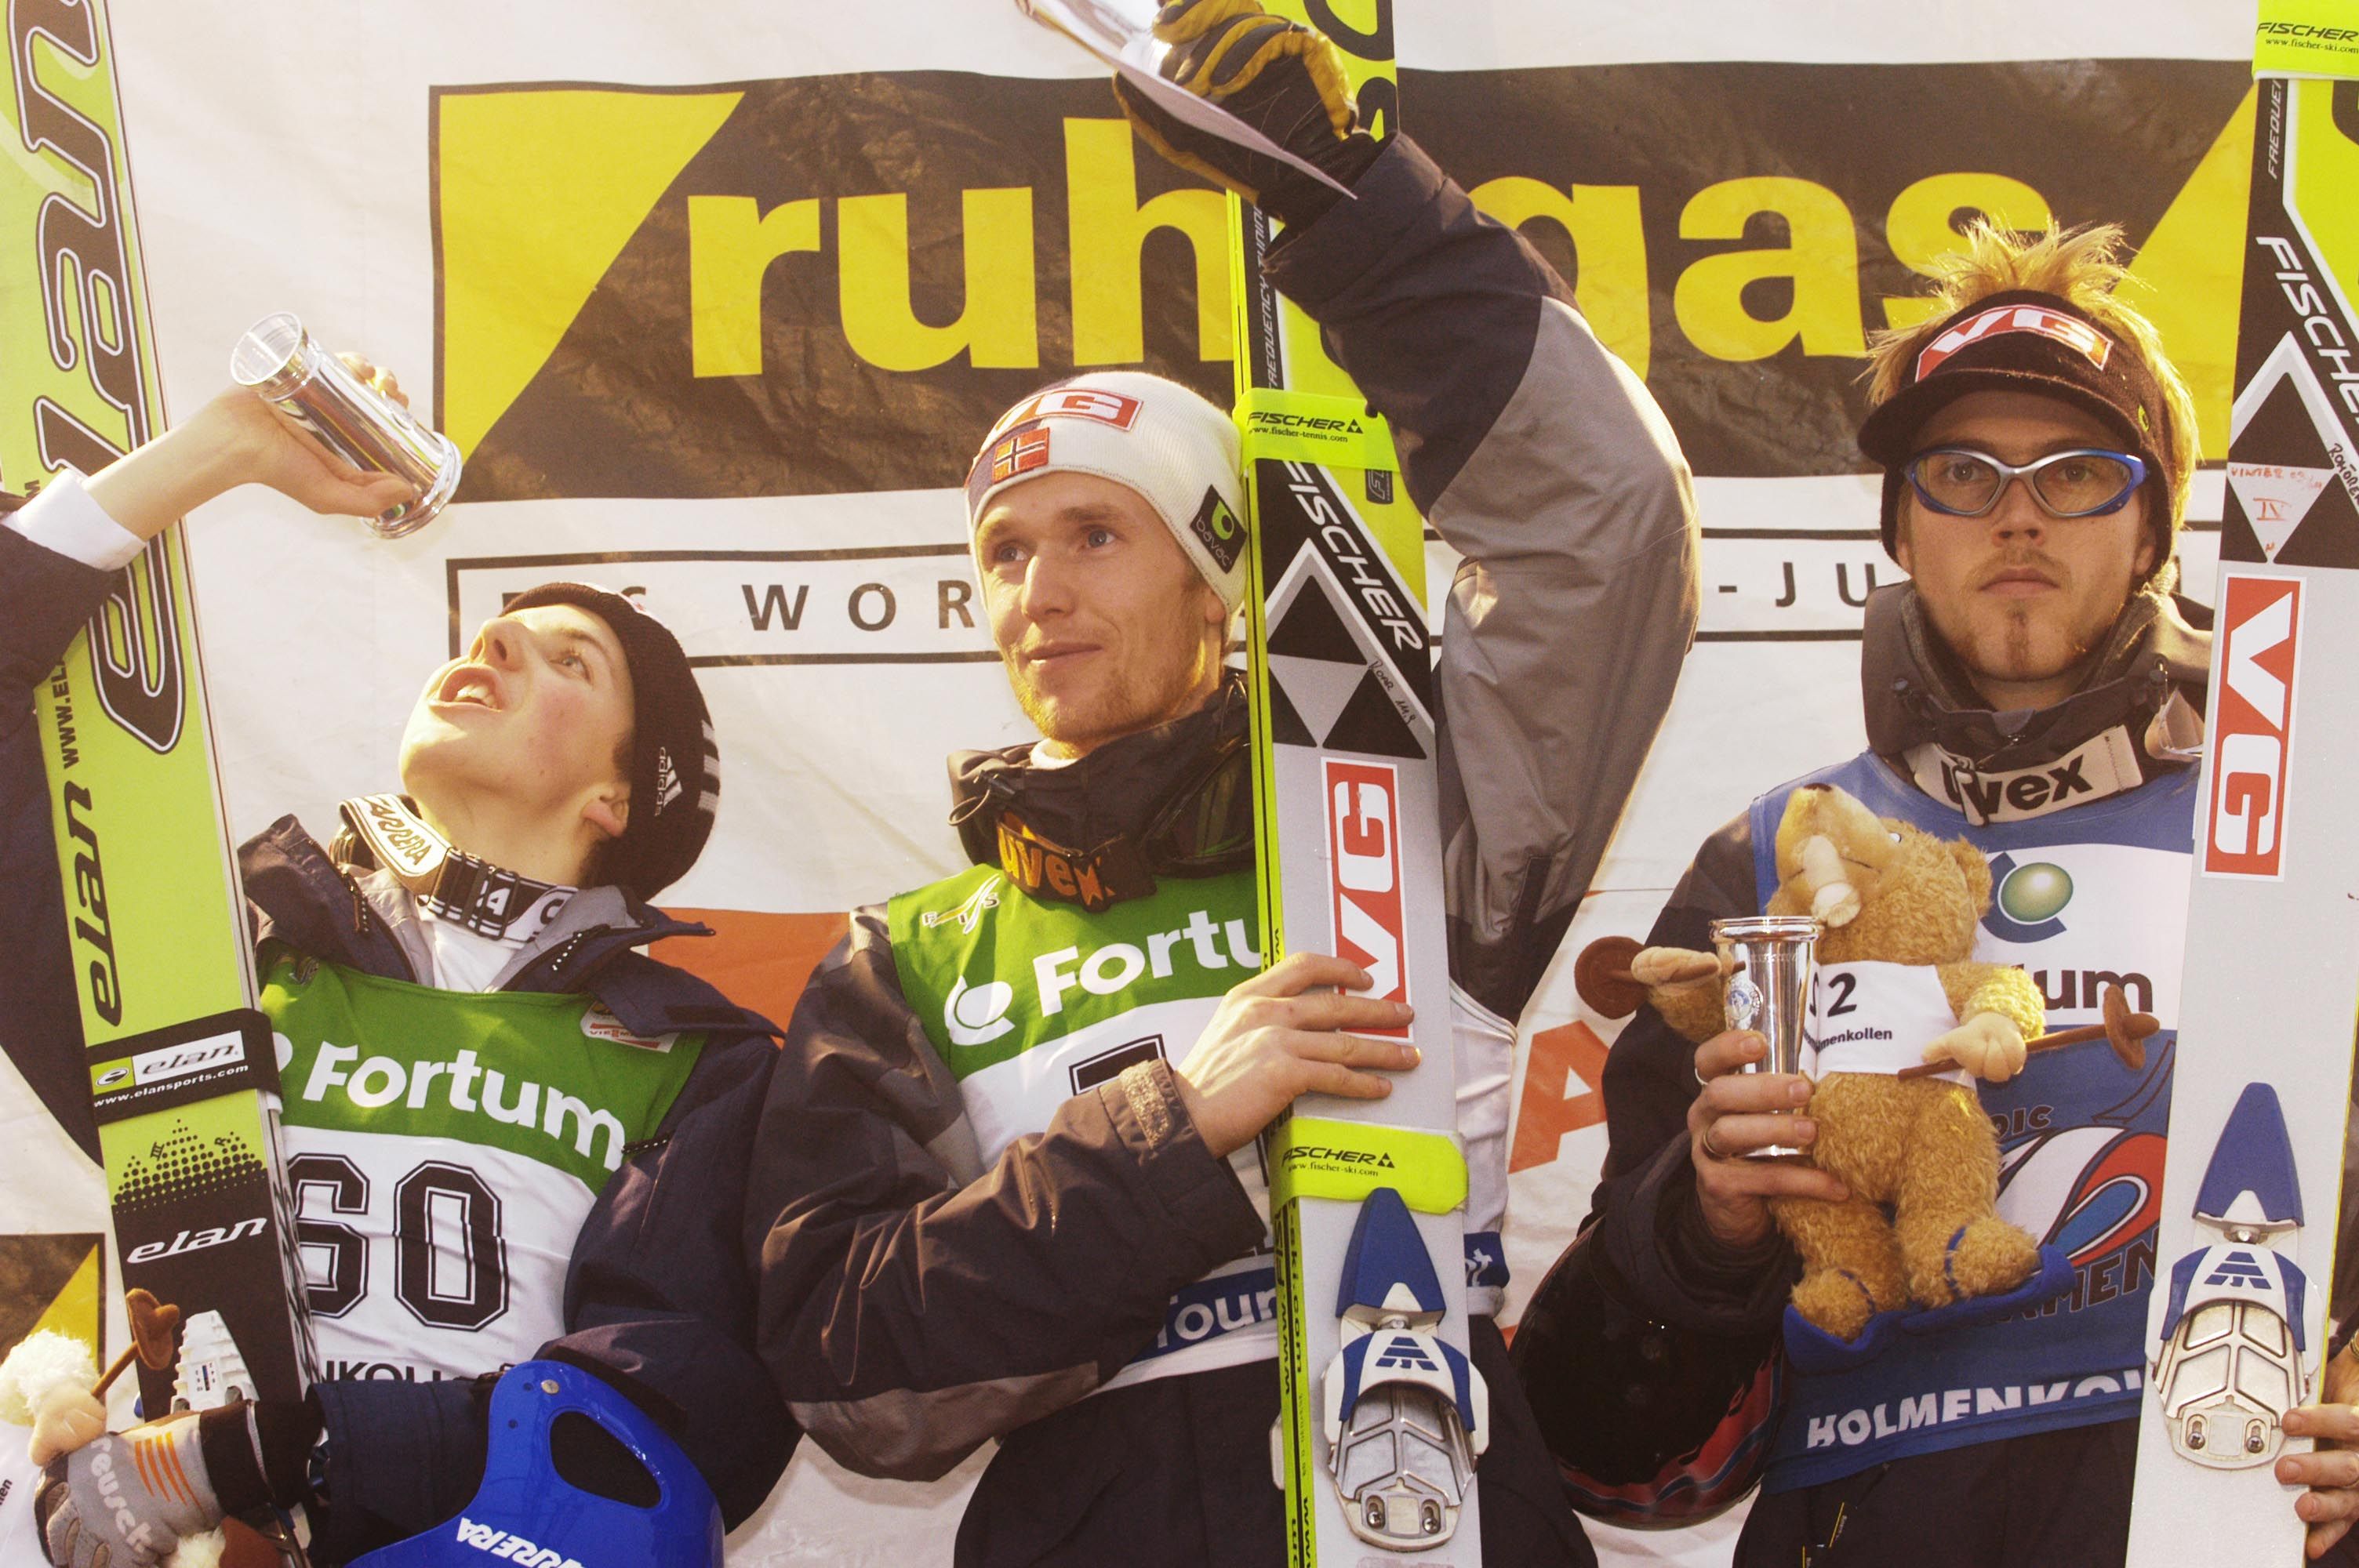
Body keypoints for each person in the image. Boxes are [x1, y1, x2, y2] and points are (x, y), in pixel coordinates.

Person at [740, 4, 1700, 1563]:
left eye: (1097, 535)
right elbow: (852, 1371)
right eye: (1004, 552)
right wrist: (1174, 1133)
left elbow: (1605, 527)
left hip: (1444, 1503)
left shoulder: (1401, 809)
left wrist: (1358, 210)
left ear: (1216, 588)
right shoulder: (908, 959)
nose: (1041, 590)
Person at [1524, 220, 2359, 1563]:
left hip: (2223, 1510)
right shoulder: (1770, 862)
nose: (2018, 514)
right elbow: (1616, 1458)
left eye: (2076, 472)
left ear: (2153, 524)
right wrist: (1706, 1225)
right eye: (1964, 473)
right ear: (1902, 526)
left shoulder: (2303, 835)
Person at [3, 371, 794, 1565]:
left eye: (571, 662)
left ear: (617, 797)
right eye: (495, 633)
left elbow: (655, 1412)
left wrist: (270, 1453)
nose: (498, 642)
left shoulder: (694, 1057)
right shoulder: (225, 969)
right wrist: (219, 451)